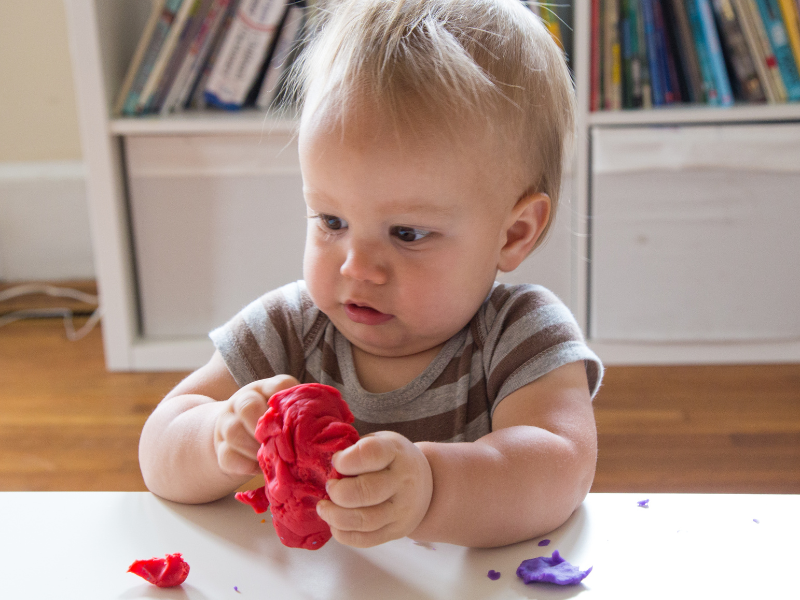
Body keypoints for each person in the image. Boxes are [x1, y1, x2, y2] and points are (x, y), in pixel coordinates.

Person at [139, 0, 603, 549]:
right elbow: (159, 447)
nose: (356, 267)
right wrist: (216, 437)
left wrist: (432, 489)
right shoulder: (288, 327)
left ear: (513, 233)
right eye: (331, 221)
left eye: (407, 233)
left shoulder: (521, 334)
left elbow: (561, 469)